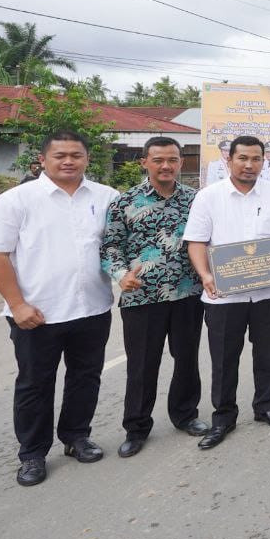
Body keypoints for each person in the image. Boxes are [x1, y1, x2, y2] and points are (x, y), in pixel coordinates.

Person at [0, 131, 118, 487]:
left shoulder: (107, 198)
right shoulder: (16, 200)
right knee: (35, 385)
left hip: (92, 308)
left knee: (86, 378)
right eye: (59, 155)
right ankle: (33, 454)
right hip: (37, 314)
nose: (68, 161)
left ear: (87, 159)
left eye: (76, 155)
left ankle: (76, 437)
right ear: (43, 160)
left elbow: (117, 247)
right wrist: (17, 304)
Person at [184, 135, 270, 450]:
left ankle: (266, 406)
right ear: (229, 160)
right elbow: (195, 242)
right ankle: (223, 417)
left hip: (268, 293)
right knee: (223, 359)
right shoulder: (208, 197)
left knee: (267, 353)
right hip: (224, 296)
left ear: (264, 162)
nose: (249, 165)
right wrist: (206, 275)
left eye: (256, 159)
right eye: (243, 159)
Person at [100, 136, 208, 459]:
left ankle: (186, 415)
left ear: (180, 162)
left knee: (187, 358)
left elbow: (210, 241)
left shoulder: (196, 200)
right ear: (144, 162)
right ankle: (136, 427)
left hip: (188, 293)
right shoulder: (125, 202)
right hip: (142, 298)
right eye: (158, 160)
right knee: (142, 365)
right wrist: (121, 275)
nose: (166, 166)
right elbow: (110, 247)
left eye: (172, 160)